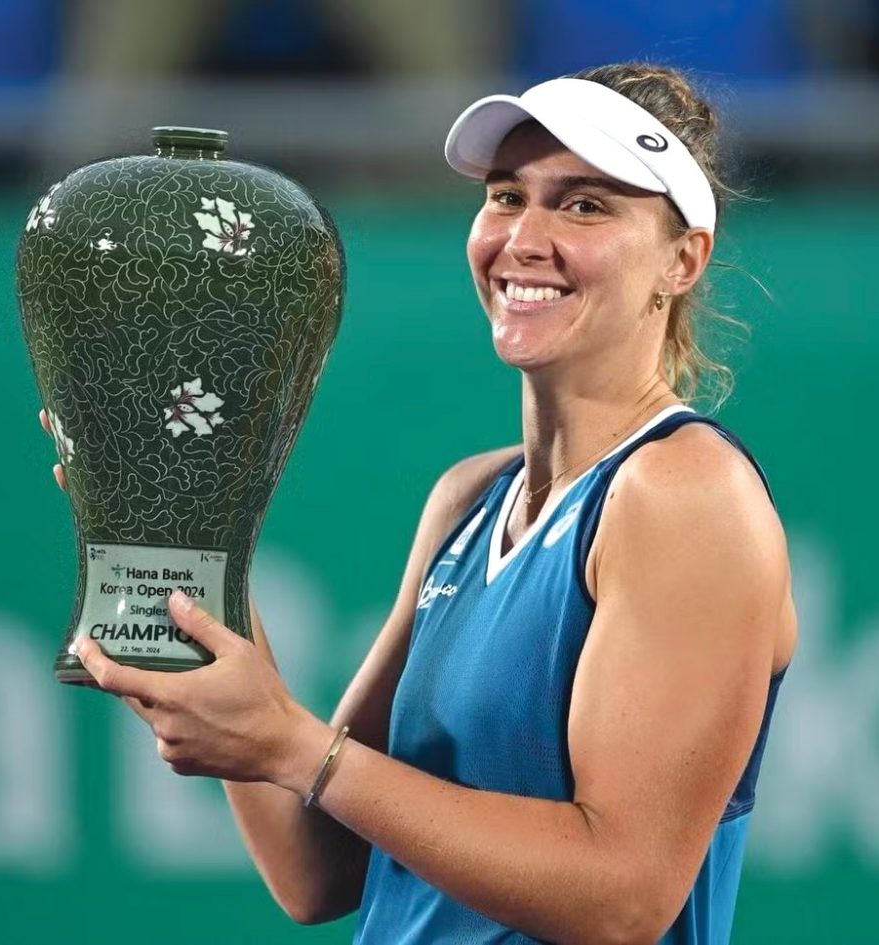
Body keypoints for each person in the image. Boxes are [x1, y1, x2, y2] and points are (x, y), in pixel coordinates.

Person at [43, 62, 798, 945]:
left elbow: (622, 897)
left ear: (683, 258)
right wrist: (187, 527)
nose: (525, 237)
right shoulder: (468, 497)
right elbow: (317, 866)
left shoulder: (686, 493)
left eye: (585, 205)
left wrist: (293, 743)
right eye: (507, 196)